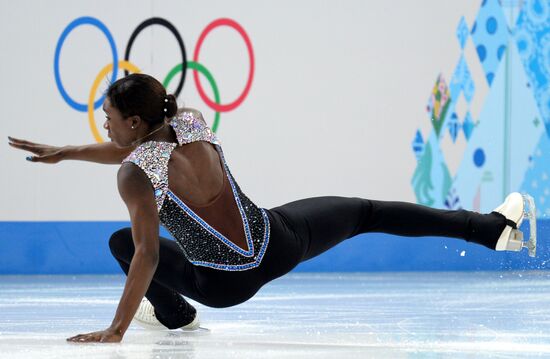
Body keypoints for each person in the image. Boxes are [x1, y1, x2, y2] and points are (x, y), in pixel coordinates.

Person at [8, 73, 536, 343]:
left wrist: (116, 329)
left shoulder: (135, 174)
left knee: (122, 244)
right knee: (367, 211)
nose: (102, 124)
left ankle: (176, 316)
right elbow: (144, 147)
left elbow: (146, 254)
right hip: (278, 242)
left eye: (109, 117)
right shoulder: (190, 120)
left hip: (225, 285)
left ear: (135, 124)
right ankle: (494, 230)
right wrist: (70, 151)